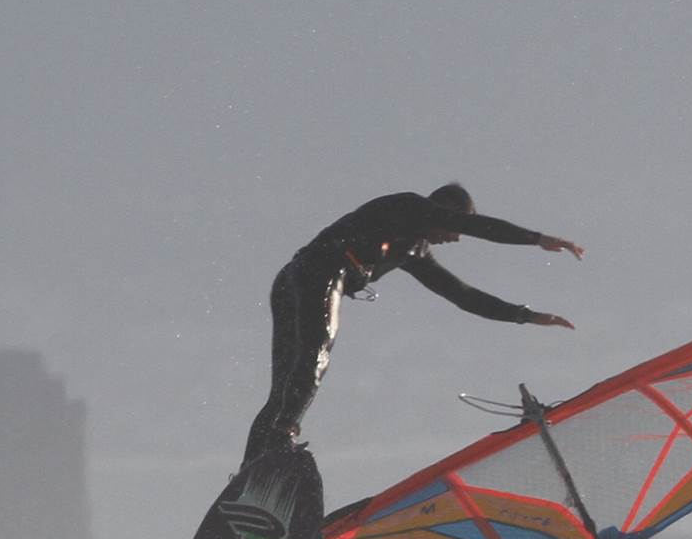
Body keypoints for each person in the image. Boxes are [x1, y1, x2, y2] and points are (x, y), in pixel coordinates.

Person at [245, 182, 583, 462]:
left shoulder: (414, 251)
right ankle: (280, 437)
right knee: (314, 357)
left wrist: (525, 315)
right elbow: (478, 227)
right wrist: (538, 239)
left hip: (293, 280)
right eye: (455, 226)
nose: (456, 238)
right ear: (443, 211)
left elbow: (461, 294)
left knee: (287, 382)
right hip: (316, 272)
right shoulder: (410, 206)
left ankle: (254, 465)